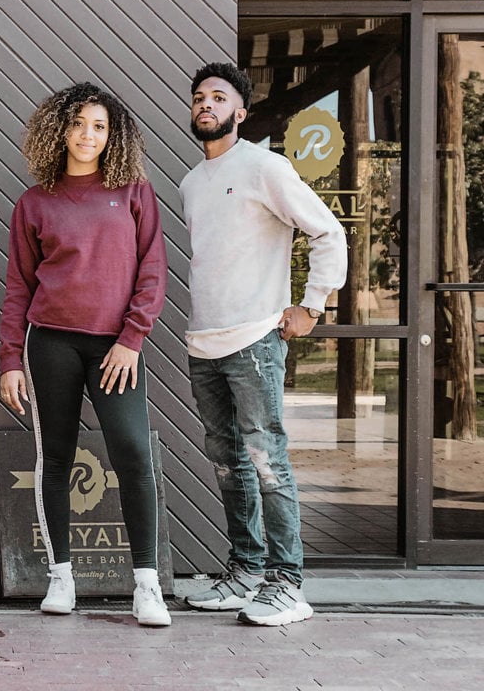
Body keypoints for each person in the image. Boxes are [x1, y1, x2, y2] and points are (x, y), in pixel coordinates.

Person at [180, 62, 348, 626]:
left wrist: (313, 305)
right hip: (203, 342)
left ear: (241, 112)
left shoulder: (264, 166)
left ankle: (287, 583)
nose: (207, 104)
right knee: (229, 464)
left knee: (266, 460)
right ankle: (246, 571)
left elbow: (329, 231)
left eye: (219, 97)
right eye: (200, 97)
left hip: (254, 341)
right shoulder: (191, 182)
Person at [0, 82, 170, 626]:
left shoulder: (134, 192)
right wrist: (8, 361)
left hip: (116, 347)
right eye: (77, 124)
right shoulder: (35, 203)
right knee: (57, 459)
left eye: (99, 125)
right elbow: (18, 288)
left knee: (132, 455)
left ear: (111, 133)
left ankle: (146, 586)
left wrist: (131, 339)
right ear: (59, 131)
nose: (87, 135)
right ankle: (61, 577)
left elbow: (152, 271)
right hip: (50, 343)